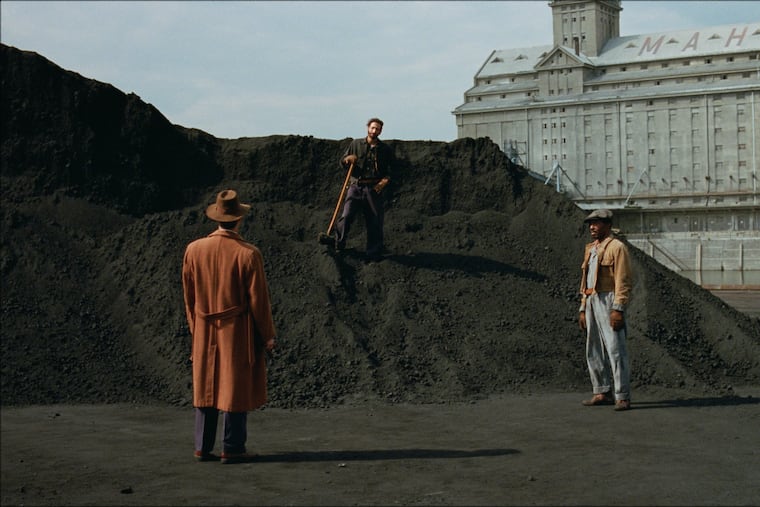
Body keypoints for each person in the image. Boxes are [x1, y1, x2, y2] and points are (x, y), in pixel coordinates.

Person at [182, 189, 277, 463]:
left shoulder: (193, 250)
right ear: (239, 219)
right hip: (235, 330)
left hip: (203, 327)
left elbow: (189, 298)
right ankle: (232, 448)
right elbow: (259, 300)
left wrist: (196, 327)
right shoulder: (248, 254)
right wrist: (267, 336)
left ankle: (202, 446)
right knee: (234, 385)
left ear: (217, 217)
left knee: (206, 384)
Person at [578, 209, 633, 411]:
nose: (592, 227)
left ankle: (622, 395)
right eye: (590, 223)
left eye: (597, 223)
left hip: (608, 299)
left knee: (615, 349)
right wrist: (583, 308)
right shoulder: (591, 249)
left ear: (607, 225)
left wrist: (618, 308)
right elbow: (586, 281)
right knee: (593, 348)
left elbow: (623, 280)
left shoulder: (617, 248)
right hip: (592, 299)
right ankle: (602, 391)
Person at [321, 117, 394, 262]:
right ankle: (338, 244)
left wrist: (384, 181)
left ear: (381, 131)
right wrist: (347, 159)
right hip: (356, 186)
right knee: (346, 215)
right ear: (368, 128)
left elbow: (391, 170)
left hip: (373, 188)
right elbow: (342, 162)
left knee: (374, 220)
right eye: (372, 128)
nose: (374, 131)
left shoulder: (384, 149)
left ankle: (373, 253)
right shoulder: (356, 144)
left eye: (377, 129)